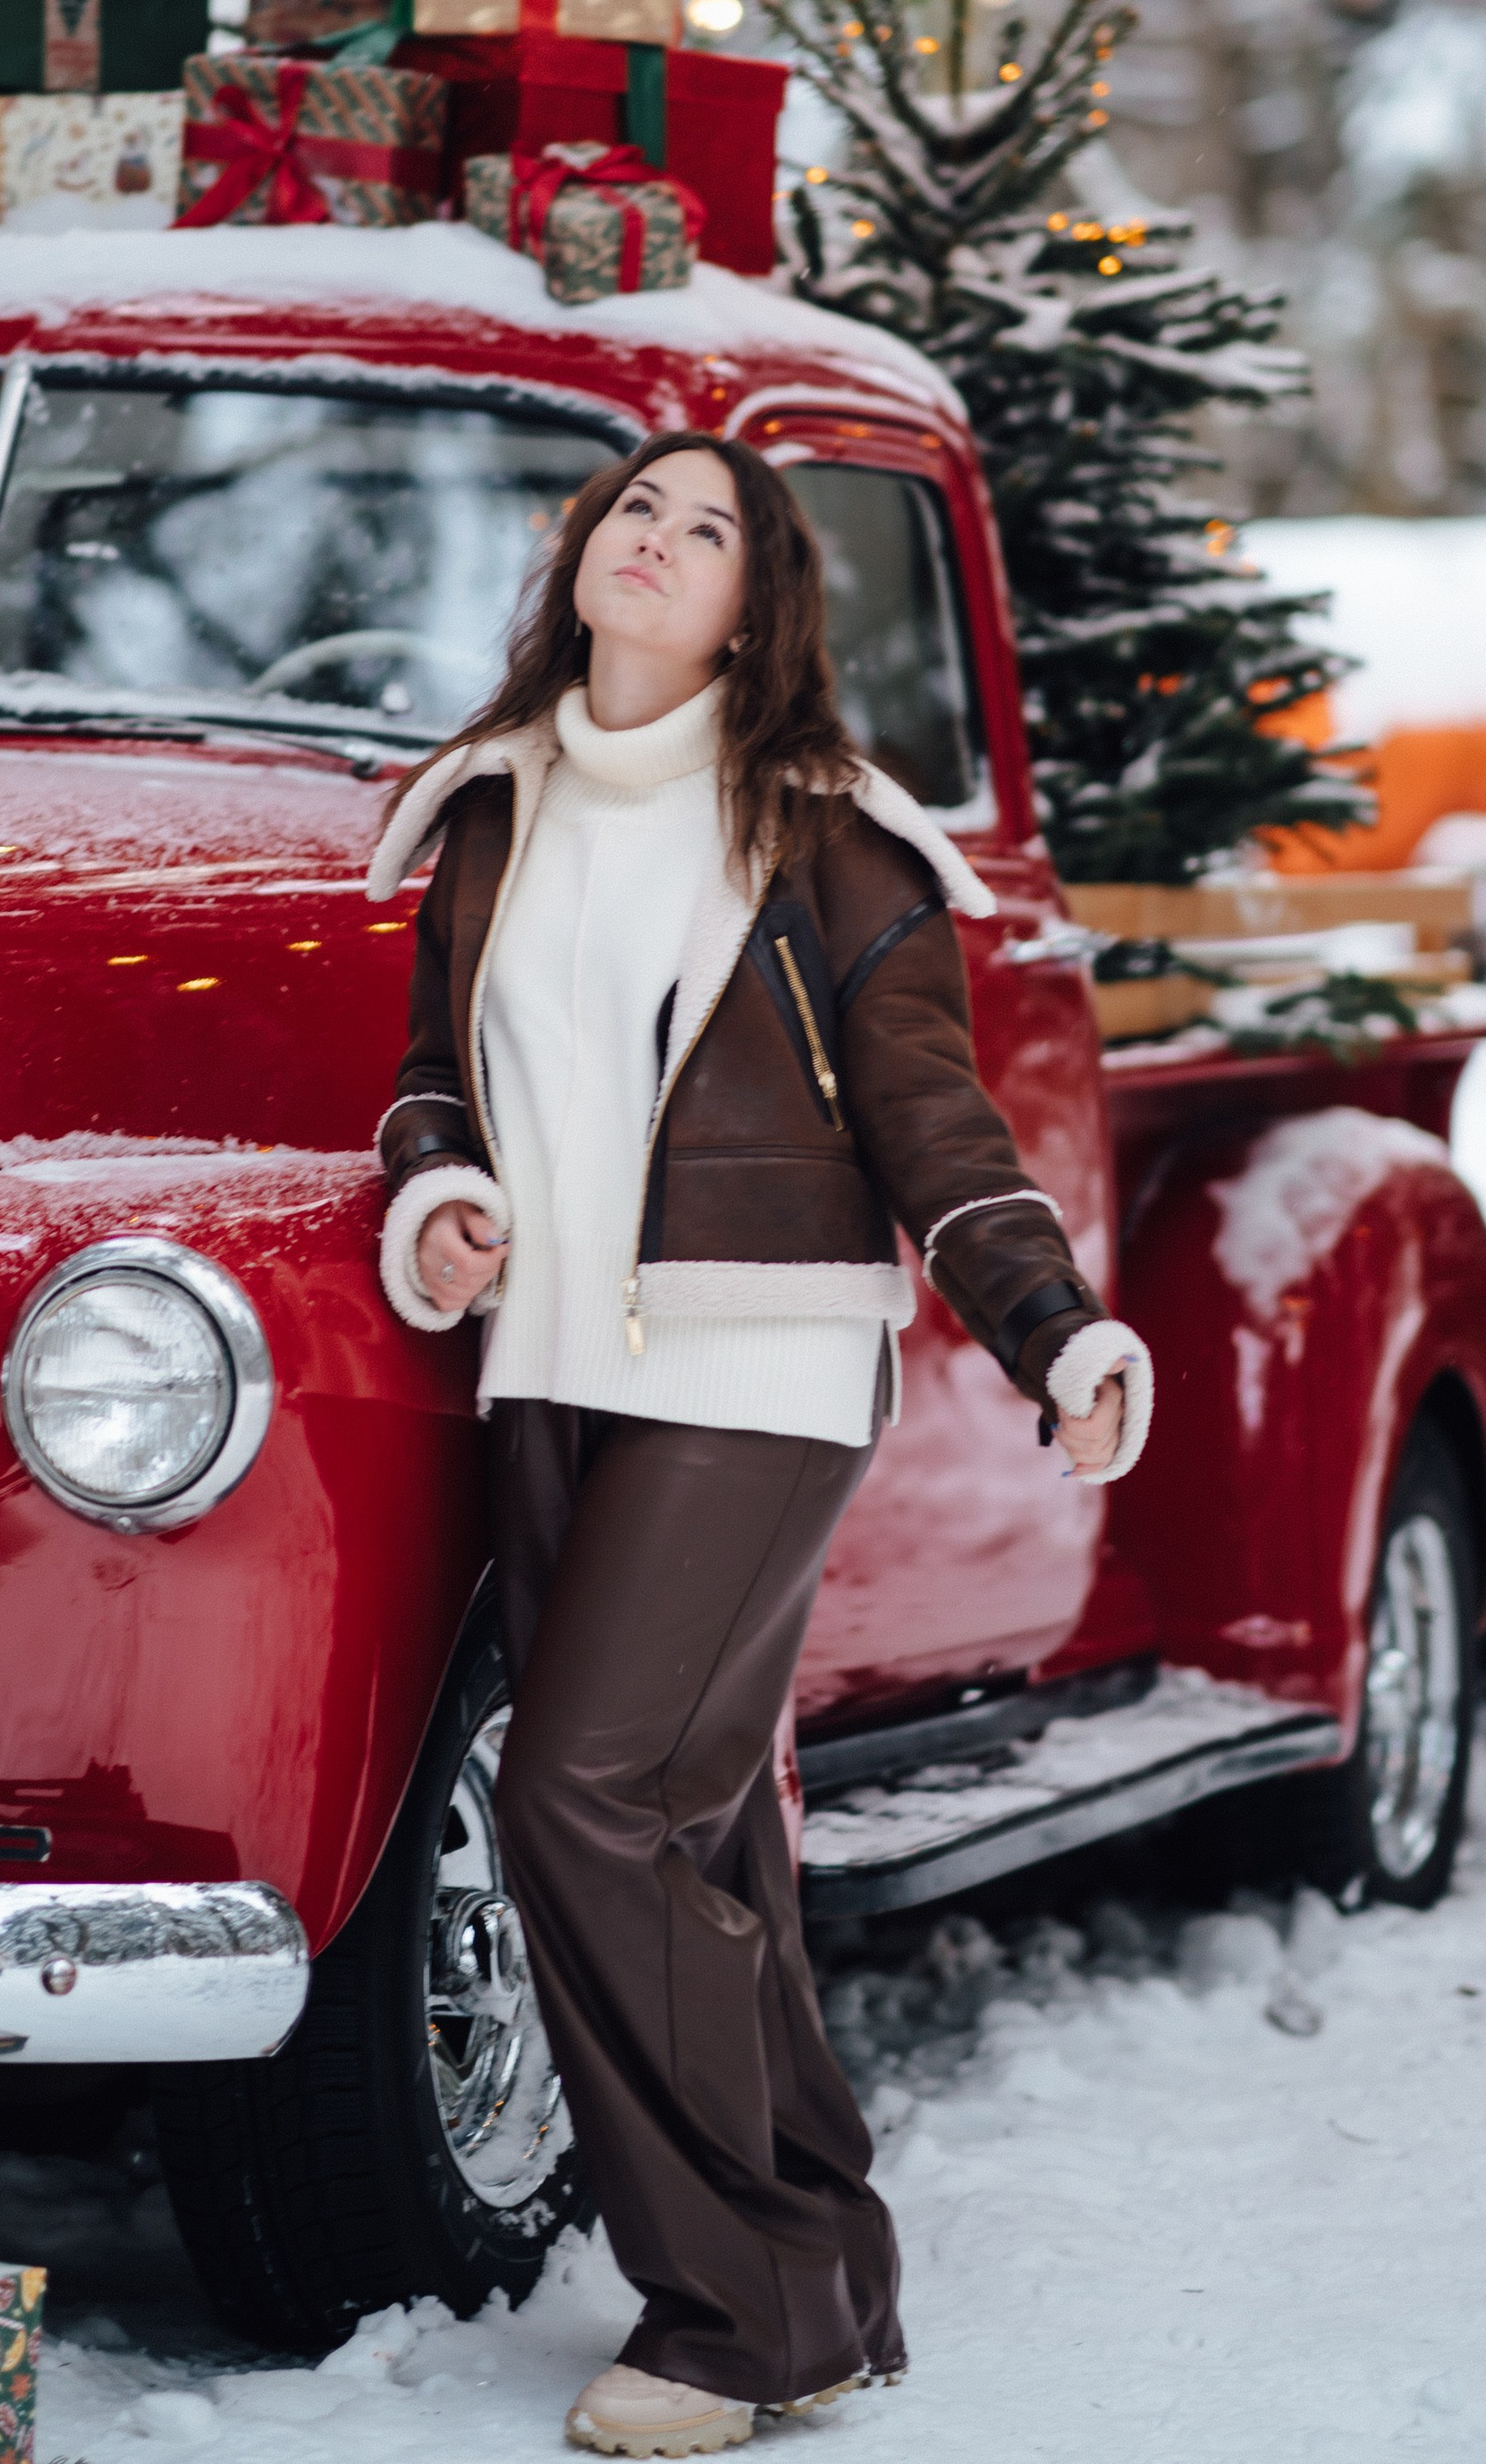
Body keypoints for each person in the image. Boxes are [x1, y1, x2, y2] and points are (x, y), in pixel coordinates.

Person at [367, 431, 1152, 2462]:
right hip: (544, 1365)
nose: (656, 536)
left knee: (578, 1800)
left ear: (757, 605)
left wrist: (1052, 1333)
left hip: (758, 1363)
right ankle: (821, 2265)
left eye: (705, 528)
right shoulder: (489, 809)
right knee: (699, 1835)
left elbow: (934, 1128)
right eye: (636, 505)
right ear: (583, 552)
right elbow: (427, 1086)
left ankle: (731, 2313)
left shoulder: (826, 838)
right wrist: (435, 1199)